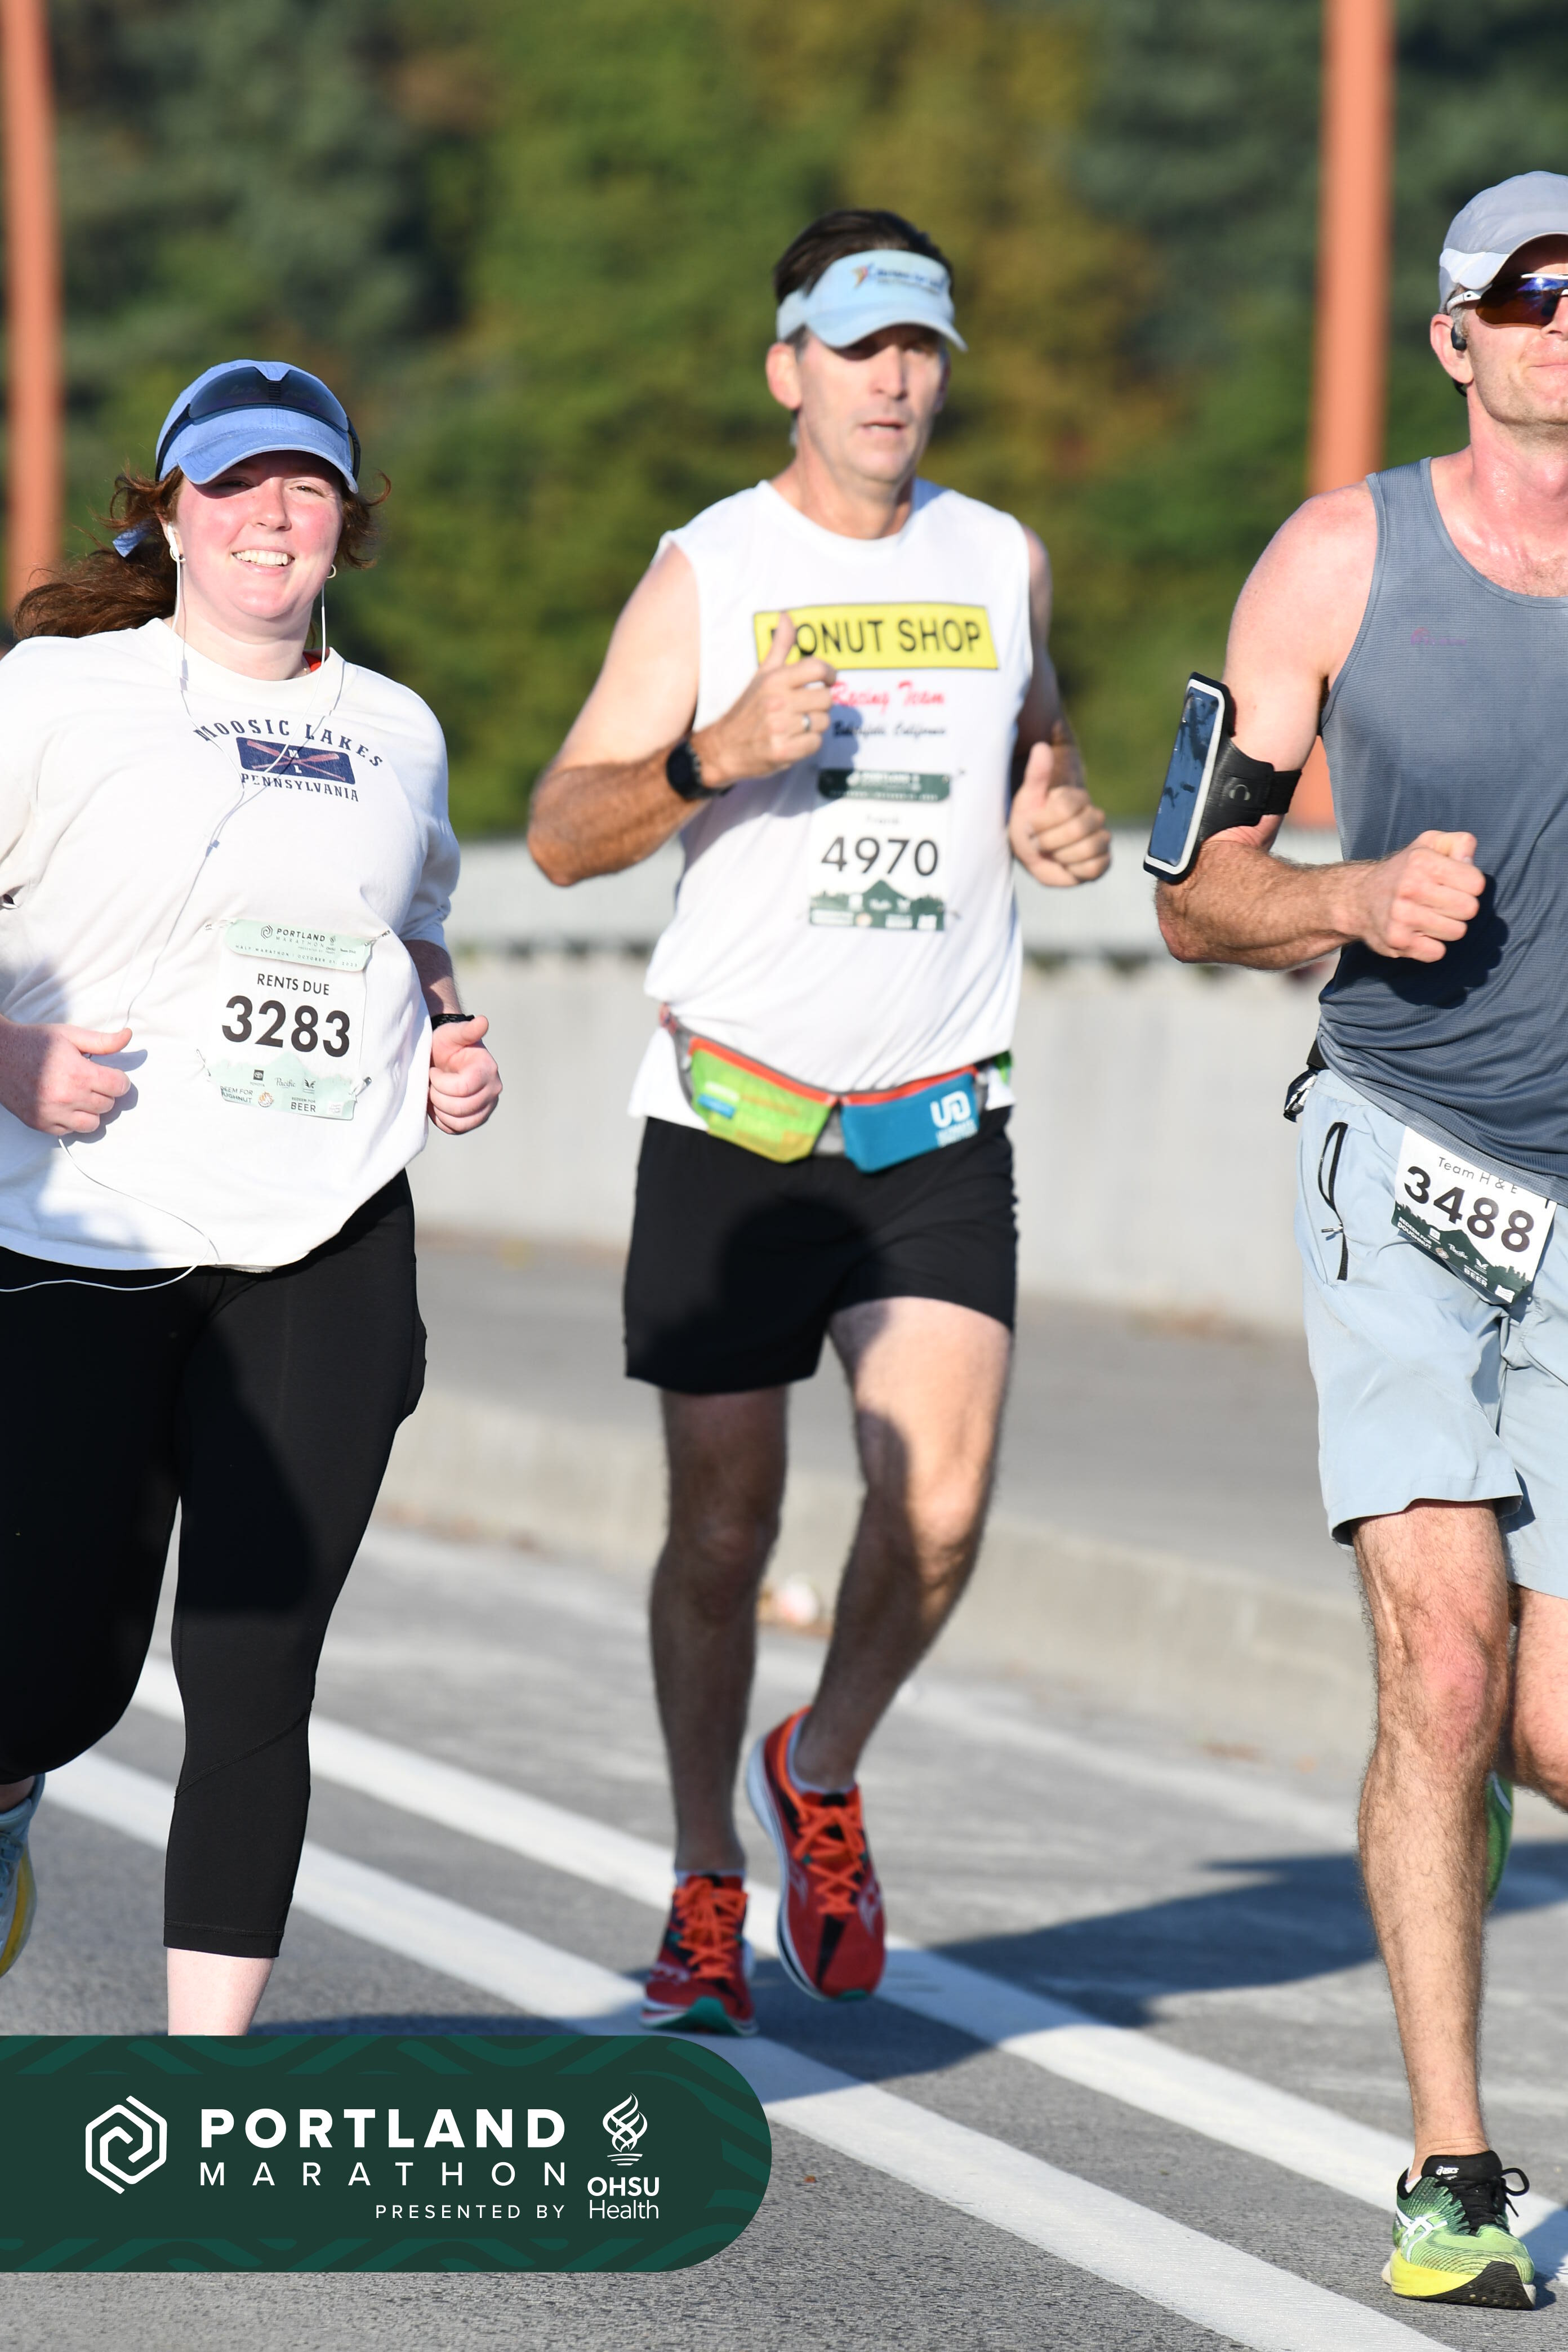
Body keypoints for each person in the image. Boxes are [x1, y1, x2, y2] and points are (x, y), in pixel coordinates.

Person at [529, 210, 1109, 2036]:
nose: (895, 381)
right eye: (860, 350)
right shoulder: (710, 569)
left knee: (937, 1508)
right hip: (736, 1119)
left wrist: (1056, 814)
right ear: (790, 367)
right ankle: (706, 1875)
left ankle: (822, 1765)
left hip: (934, 1119)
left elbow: (1040, 747)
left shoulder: (1000, 557)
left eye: (920, 348)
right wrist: (712, 755)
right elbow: (559, 829)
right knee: (726, 1531)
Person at [1150, 173, 1568, 2311]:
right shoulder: (1342, 559)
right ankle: (1452, 2169)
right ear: (1457, 338)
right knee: (1449, 1662)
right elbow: (1190, 894)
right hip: (1400, 1158)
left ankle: (1461, 1819)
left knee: (1551, 1729)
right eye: (1533, 295)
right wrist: (1349, 897)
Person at [0, 359, 501, 2031]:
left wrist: (448, 1038)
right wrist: (8, 1056)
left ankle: (203, 2084)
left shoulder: (399, 732)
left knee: (255, 1656)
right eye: (234, 484)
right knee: (50, 1671)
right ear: (168, 516)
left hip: (324, 1232)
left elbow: (411, 932)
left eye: (307, 486)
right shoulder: (56, 695)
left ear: (349, 522)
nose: (273, 515)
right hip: (79, 1222)